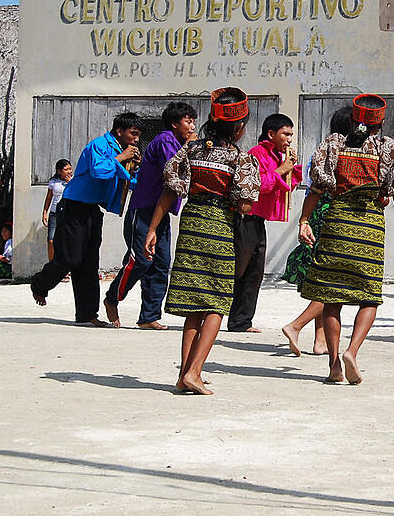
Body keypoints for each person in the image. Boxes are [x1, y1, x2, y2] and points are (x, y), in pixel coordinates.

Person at [144, 87, 260, 395]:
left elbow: (170, 189)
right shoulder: (239, 159)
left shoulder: (191, 150)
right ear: (238, 127)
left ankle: (184, 374)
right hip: (219, 228)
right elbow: (244, 204)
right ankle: (195, 371)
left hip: (191, 224)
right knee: (216, 303)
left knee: (194, 303)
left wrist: (153, 229)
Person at [298, 94, 394, 384]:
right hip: (370, 228)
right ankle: (352, 350)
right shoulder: (391, 148)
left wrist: (303, 220)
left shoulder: (334, 143)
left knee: (332, 297)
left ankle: (334, 365)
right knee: (368, 296)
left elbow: (317, 189)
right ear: (381, 121)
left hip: (337, 224)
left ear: (353, 118)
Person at [30, 112, 142, 326]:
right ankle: (39, 283)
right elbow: (100, 171)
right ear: (119, 131)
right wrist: (122, 158)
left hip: (93, 209)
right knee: (70, 258)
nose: (136, 139)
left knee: (89, 263)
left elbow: (128, 180)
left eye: (138, 135)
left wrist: (134, 167)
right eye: (133, 134)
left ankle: (87, 314)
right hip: (74, 206)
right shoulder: (98, 145)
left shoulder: (122, 151)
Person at [104, 102, 198, 330]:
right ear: (175, 124)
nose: (192, 126)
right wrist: (189, 147)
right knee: (142, 259)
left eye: (193, 121)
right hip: (144, 210)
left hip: (161, 213)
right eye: (188, 121)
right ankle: (112, 297)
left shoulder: (178, 143)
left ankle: (149, 316)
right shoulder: (166, 140)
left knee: (161, 263)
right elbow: (172, 170)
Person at [281, 106, 353, 357]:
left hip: (319, 212)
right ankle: (296, 325)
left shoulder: (323, 151)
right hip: (335, 214)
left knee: (325, 277)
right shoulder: (347, 152)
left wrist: (305, 219)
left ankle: (320, 340)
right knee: (335, 281)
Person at [228, 113, 302, 333]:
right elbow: (257, 185)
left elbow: (287, 185)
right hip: (244, 216)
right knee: (238, 268)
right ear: (271, 134)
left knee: (254, 271)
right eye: (285, 134)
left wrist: (289, 169)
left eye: (291, 134)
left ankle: (241, 321)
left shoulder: (280, 156)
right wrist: (281, 170)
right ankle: (214, 314)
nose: (289, 139)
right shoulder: (256, 153)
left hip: (258, 219)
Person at [42, 160, 73, 261]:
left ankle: (66, 266)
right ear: (59, 171)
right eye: (66, 169)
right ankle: (52, 264)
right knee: (51, 240)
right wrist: (45, 212)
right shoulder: (53, 181)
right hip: (54, 214)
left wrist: (69, 183)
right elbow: (48, 198)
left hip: (68, 214)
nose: (69, 171)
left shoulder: (74, 181)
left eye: (70, 169)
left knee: (66, 240)